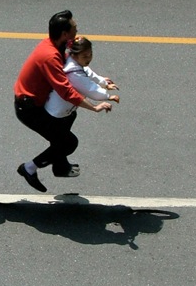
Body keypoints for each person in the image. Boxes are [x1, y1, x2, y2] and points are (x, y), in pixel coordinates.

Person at [14, 10, 113, 193]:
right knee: (67, 143)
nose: (77, 30)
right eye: (75, 28)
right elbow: (66, 91)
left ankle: (60, 166)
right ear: (65, 33)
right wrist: (95, 107)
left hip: (40, 99)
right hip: (29, 108)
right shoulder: (49, 56)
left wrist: (100, 80)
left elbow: (77, 63)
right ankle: (29, 168)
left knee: (67, 118)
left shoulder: (59, 43)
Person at [44, 35, 120, 119]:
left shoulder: (73, 63)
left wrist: (104, 83)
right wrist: (108, 97)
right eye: (85, 56)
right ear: (74, 56)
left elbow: (88, 73)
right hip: (57, 113)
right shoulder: (73, 73)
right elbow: (90, 88)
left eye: (90, 54)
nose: (89, 58)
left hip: (64, 111)